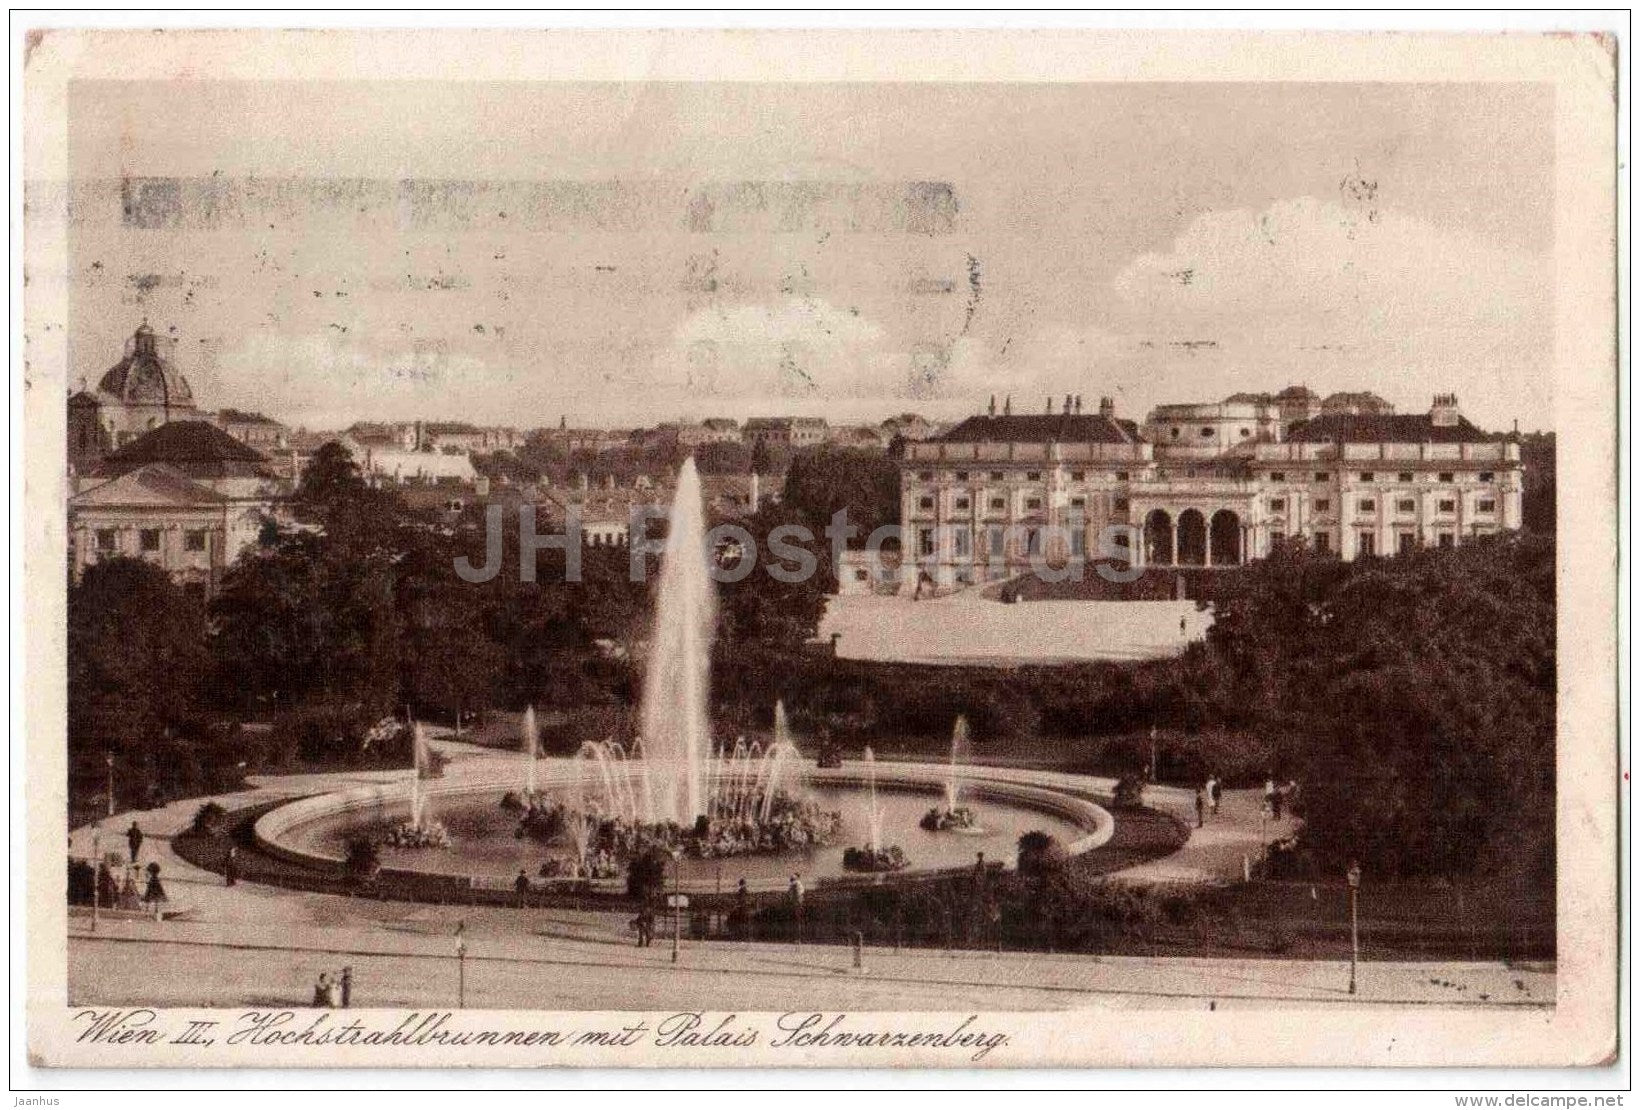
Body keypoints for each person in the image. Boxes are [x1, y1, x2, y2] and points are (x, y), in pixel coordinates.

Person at [788, 874, 805, 944]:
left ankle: (798, 939)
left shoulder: (795, 884)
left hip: (797, 904)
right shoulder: (798, 884)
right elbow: (800, 894)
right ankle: (798, 939)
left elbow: (796, 894)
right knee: (798, 922)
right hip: (797, 904)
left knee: (797, 922)